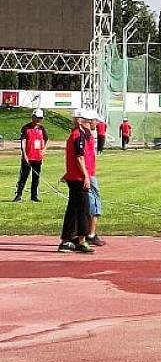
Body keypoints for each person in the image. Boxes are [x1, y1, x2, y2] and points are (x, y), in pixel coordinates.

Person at [58, 109, 94, 254]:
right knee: (83, 209)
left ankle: (70, 239)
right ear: (79, 120)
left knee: (75, 208)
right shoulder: (78, 136)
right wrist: (85, 176)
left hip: (76, 177)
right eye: (87, 120)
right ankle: (80, 240)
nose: (90, 122)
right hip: (78, 178)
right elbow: (79, 157)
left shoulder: (82, 135)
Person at [81, 109, 105, 247]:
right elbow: (81, 157)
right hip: (88, 174)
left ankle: (89, 233)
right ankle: (90, 234)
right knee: (94, 205)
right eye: (95, 120)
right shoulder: (84, 136)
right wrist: (86, 176)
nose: (97, 123)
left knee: (90, 204)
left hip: (89, 173)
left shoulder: (87, 135)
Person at [13, 109, 49, 202]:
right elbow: (23, 142)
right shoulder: (26, 128)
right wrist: (24, 155)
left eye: (40, 118)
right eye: (37, 118)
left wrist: (43, 150)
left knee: (36, 178)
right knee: (23, 177)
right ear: (33, 117)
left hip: (37, 157)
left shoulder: (42, 129)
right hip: (28, 157)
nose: (39, 120)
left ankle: (34, 196)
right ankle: (18, 195)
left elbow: (46, 140)